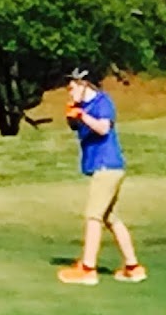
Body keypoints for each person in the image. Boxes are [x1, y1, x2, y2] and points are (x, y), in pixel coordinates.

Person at [56, 67, 147, 285]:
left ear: (84, 85)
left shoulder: (102, 102)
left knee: (93, 216)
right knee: (110, 218)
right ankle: (133, 267)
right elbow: (76, 127)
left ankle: (88, 269)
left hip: (106, 166)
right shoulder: (82, 106)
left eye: (72, 87)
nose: (70, 92)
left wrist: (82, 116)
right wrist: (74, 117)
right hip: (102, 167)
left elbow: (103, 128)